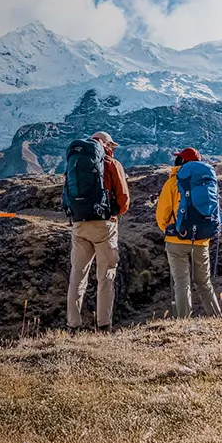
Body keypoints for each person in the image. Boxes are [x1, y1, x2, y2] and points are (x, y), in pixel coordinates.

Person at [62, 131, 130, 332]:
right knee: (105, 276)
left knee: (77, 275)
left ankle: (72, 325)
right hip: (104, 226)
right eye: (112, 146)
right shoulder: (111, 164)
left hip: (79, 224)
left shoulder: (74, 163)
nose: (113, 150)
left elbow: (66, 195)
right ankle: (103, 324)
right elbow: (124, 198)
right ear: (105, 144)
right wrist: (114, 213)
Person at [155, 147, 222, 318]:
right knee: (204, 282)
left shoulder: (173, 182)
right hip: (201, 240)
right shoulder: (207, 181)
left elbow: (162, 213)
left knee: (182, 282)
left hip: (176, 240)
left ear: (181, 161)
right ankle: (216, 317)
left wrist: (169, 230)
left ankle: (183, 321)